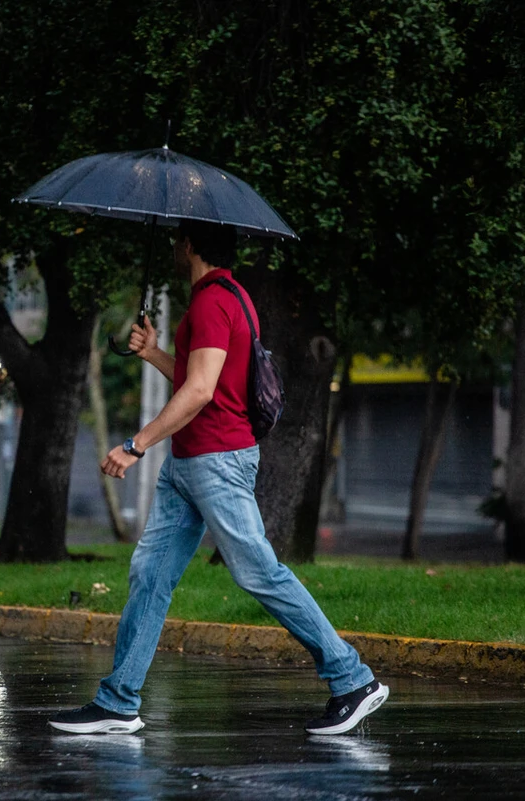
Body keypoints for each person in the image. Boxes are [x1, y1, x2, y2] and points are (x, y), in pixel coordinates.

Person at [48, 219, 388, 737]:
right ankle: (118, 701)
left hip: (217, 461)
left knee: (259, 572)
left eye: (176, 241)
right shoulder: (228, 296)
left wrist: (136, 445)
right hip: (190, 464)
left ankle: (352, 679)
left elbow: (201, 392)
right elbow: (206, 382)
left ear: (188, 245)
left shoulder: (212, 303)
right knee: (150, 575)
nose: (172, 248)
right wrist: (154, 353)